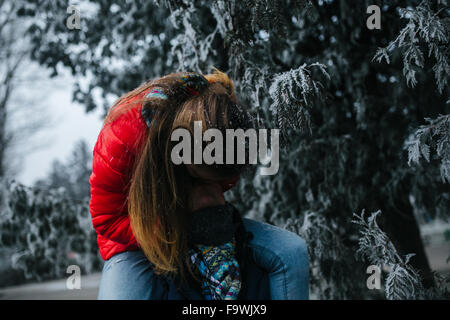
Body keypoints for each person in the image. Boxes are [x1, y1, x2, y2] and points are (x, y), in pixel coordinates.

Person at [89, 69, 309, 300]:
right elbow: (107, 220)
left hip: (196, 221)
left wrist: (209, 208)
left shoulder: (223, 117)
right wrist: (172, 229)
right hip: (137, 240)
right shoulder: (122, 138)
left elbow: (225, 175)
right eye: (204, 177)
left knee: (290, 253)